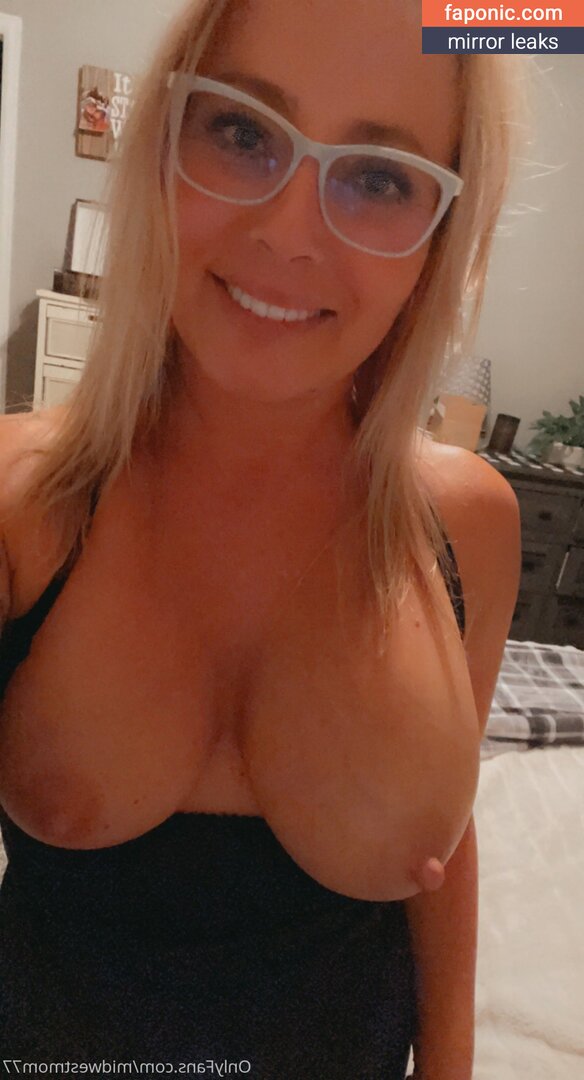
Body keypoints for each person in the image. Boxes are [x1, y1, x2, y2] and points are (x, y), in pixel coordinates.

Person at [0, 0, 527, 1075]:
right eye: (242, 132)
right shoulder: (22, 505)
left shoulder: (468, 526)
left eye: (378, 178)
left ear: (440, 241)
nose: (289, 231)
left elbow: (446, 815)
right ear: (163, 144)